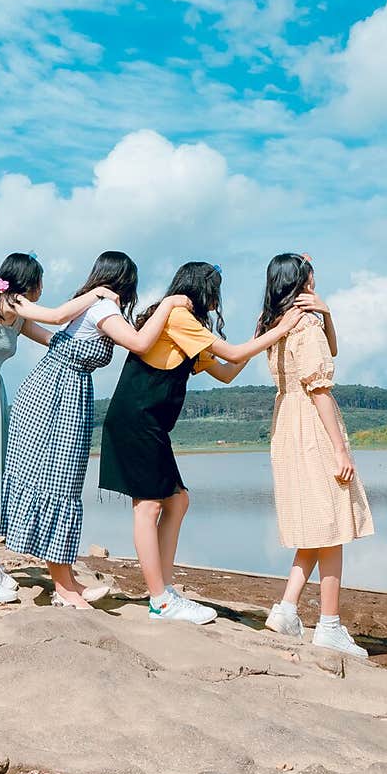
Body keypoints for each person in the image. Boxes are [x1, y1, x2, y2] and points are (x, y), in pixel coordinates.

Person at [100, 261, 304, 625]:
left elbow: (226, 372)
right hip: (136, 418)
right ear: (202, 288)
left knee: (177, 501)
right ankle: (160, 599)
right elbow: (235, 354)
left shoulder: (187, 327)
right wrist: (282, 327)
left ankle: (162, 589)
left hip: (148, 422)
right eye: (216, 289)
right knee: (148, 507)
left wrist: (260, 333)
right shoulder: (178, 317)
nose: (219, 297)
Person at [0, 251, 122, 605]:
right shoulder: (10, 303)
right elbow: (58, 316)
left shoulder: (16, 315)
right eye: (39, 281)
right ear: (26, 282)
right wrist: (99, 294)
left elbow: (56, 340)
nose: (42, 287)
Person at [0, 250, 191, 609]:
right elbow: (139, 343)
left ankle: (66, 578)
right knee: (56, 483)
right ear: (125, 282)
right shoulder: (103, 309)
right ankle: (63, 587)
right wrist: (167, 305)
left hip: (61, 391)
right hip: (57, 396)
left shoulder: (92, 304)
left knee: (61, 484)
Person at [259, 253, 374, 659]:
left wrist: (327, 312)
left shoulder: (276, 321)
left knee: (315, 521)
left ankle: (287, 609)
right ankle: (329, 624)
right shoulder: (304, 324)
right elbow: (320, 388)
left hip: (286, 423)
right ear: (303, 281)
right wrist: (341, 449)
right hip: (311, 424)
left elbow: (333, 350)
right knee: (332, 526)